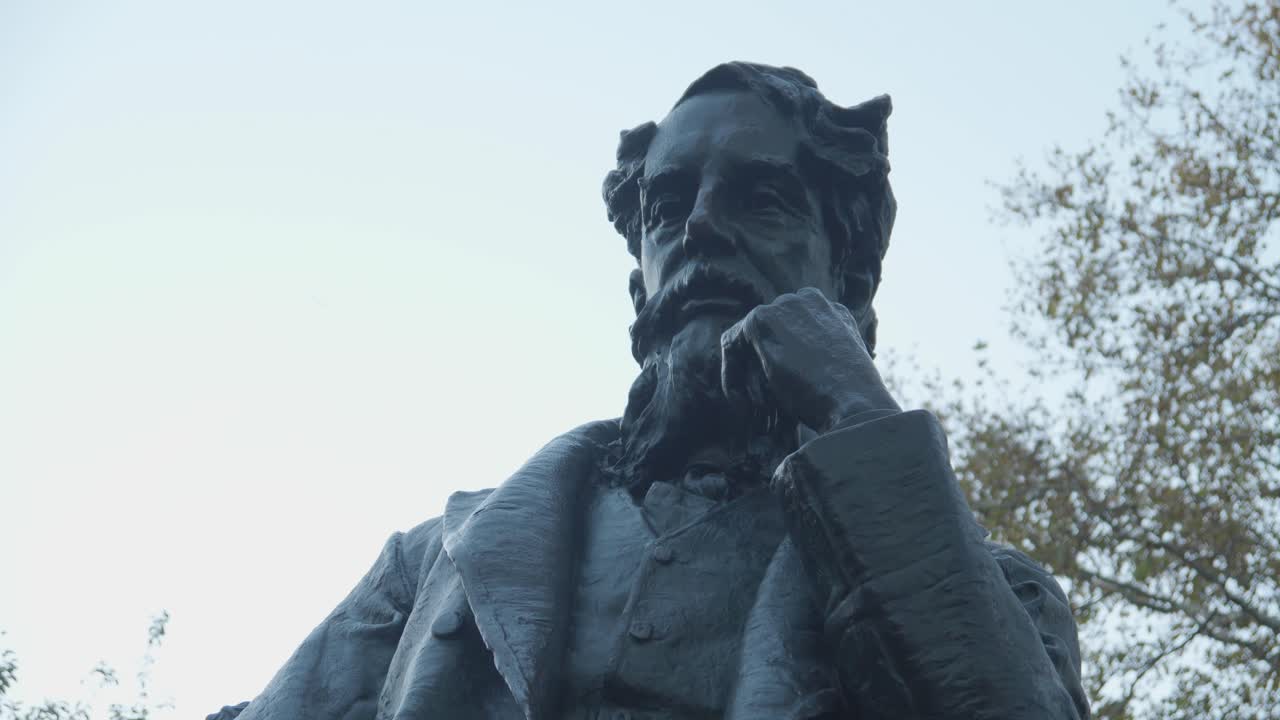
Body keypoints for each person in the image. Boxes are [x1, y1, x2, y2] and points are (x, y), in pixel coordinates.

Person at [209, 62, 1090, 720]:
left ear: (849, 277)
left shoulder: (993, 595)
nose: (701, 226)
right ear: (641, 287)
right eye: (667, 211)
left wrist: (857, 416)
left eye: (763, 200)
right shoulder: (433, 564)